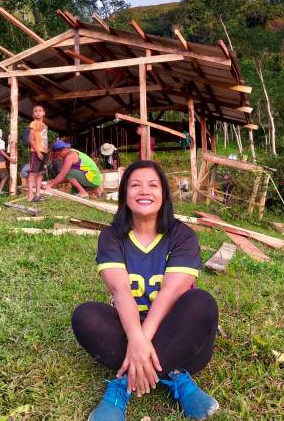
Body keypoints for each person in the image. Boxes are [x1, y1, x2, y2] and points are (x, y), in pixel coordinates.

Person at [71, 160, 219, 420]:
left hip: (182, 338)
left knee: (202, 303)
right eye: (135, 185)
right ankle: (170, 373)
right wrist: (136, 339)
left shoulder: (183, 236)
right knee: (85, 316)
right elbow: (121, 292)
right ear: (124, 194)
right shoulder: (111, 236)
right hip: (130, 330)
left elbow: (170, 294)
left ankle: (129, 384)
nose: (144, 191)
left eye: (153, 185)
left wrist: (141, 343)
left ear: (163, 194)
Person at [27, 105, 49, 202]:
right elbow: (30, 139)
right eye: (36, 111)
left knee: (40, 173)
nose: (38, 112)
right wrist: (37, 151)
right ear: (33, 114)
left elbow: (44, 139)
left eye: (40, 110)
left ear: (44, 113)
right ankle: (30, 196)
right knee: (32, 173)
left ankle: (38, 194)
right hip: (36, 152)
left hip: (44, 152)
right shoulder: (33, 123)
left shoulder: (45, 126)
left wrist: (45, 150)